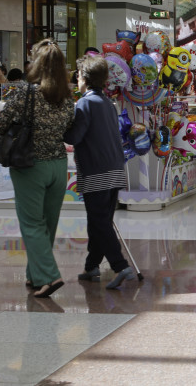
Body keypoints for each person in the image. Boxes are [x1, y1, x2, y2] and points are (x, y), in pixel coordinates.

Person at [0, 39, 75, 298]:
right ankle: (35, 275)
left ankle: (49, 276)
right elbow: (68, 128)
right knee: (47, 224)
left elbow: (4, 120)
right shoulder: (67, 95)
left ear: (36, 63)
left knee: (31, 223)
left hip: (30, 164)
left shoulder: (26, 91)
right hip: (58, 164)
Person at [63, 55, 135, 290]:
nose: (77, 79)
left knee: (99, 222)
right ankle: (92, 264)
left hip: (96, 171)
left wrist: (63, 125)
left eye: (78, 75)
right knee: (100, 221)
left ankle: (120, 265)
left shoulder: (85, 103)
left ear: (84, 77)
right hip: (114, 169)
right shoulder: (107, 102)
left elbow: (74, 137)